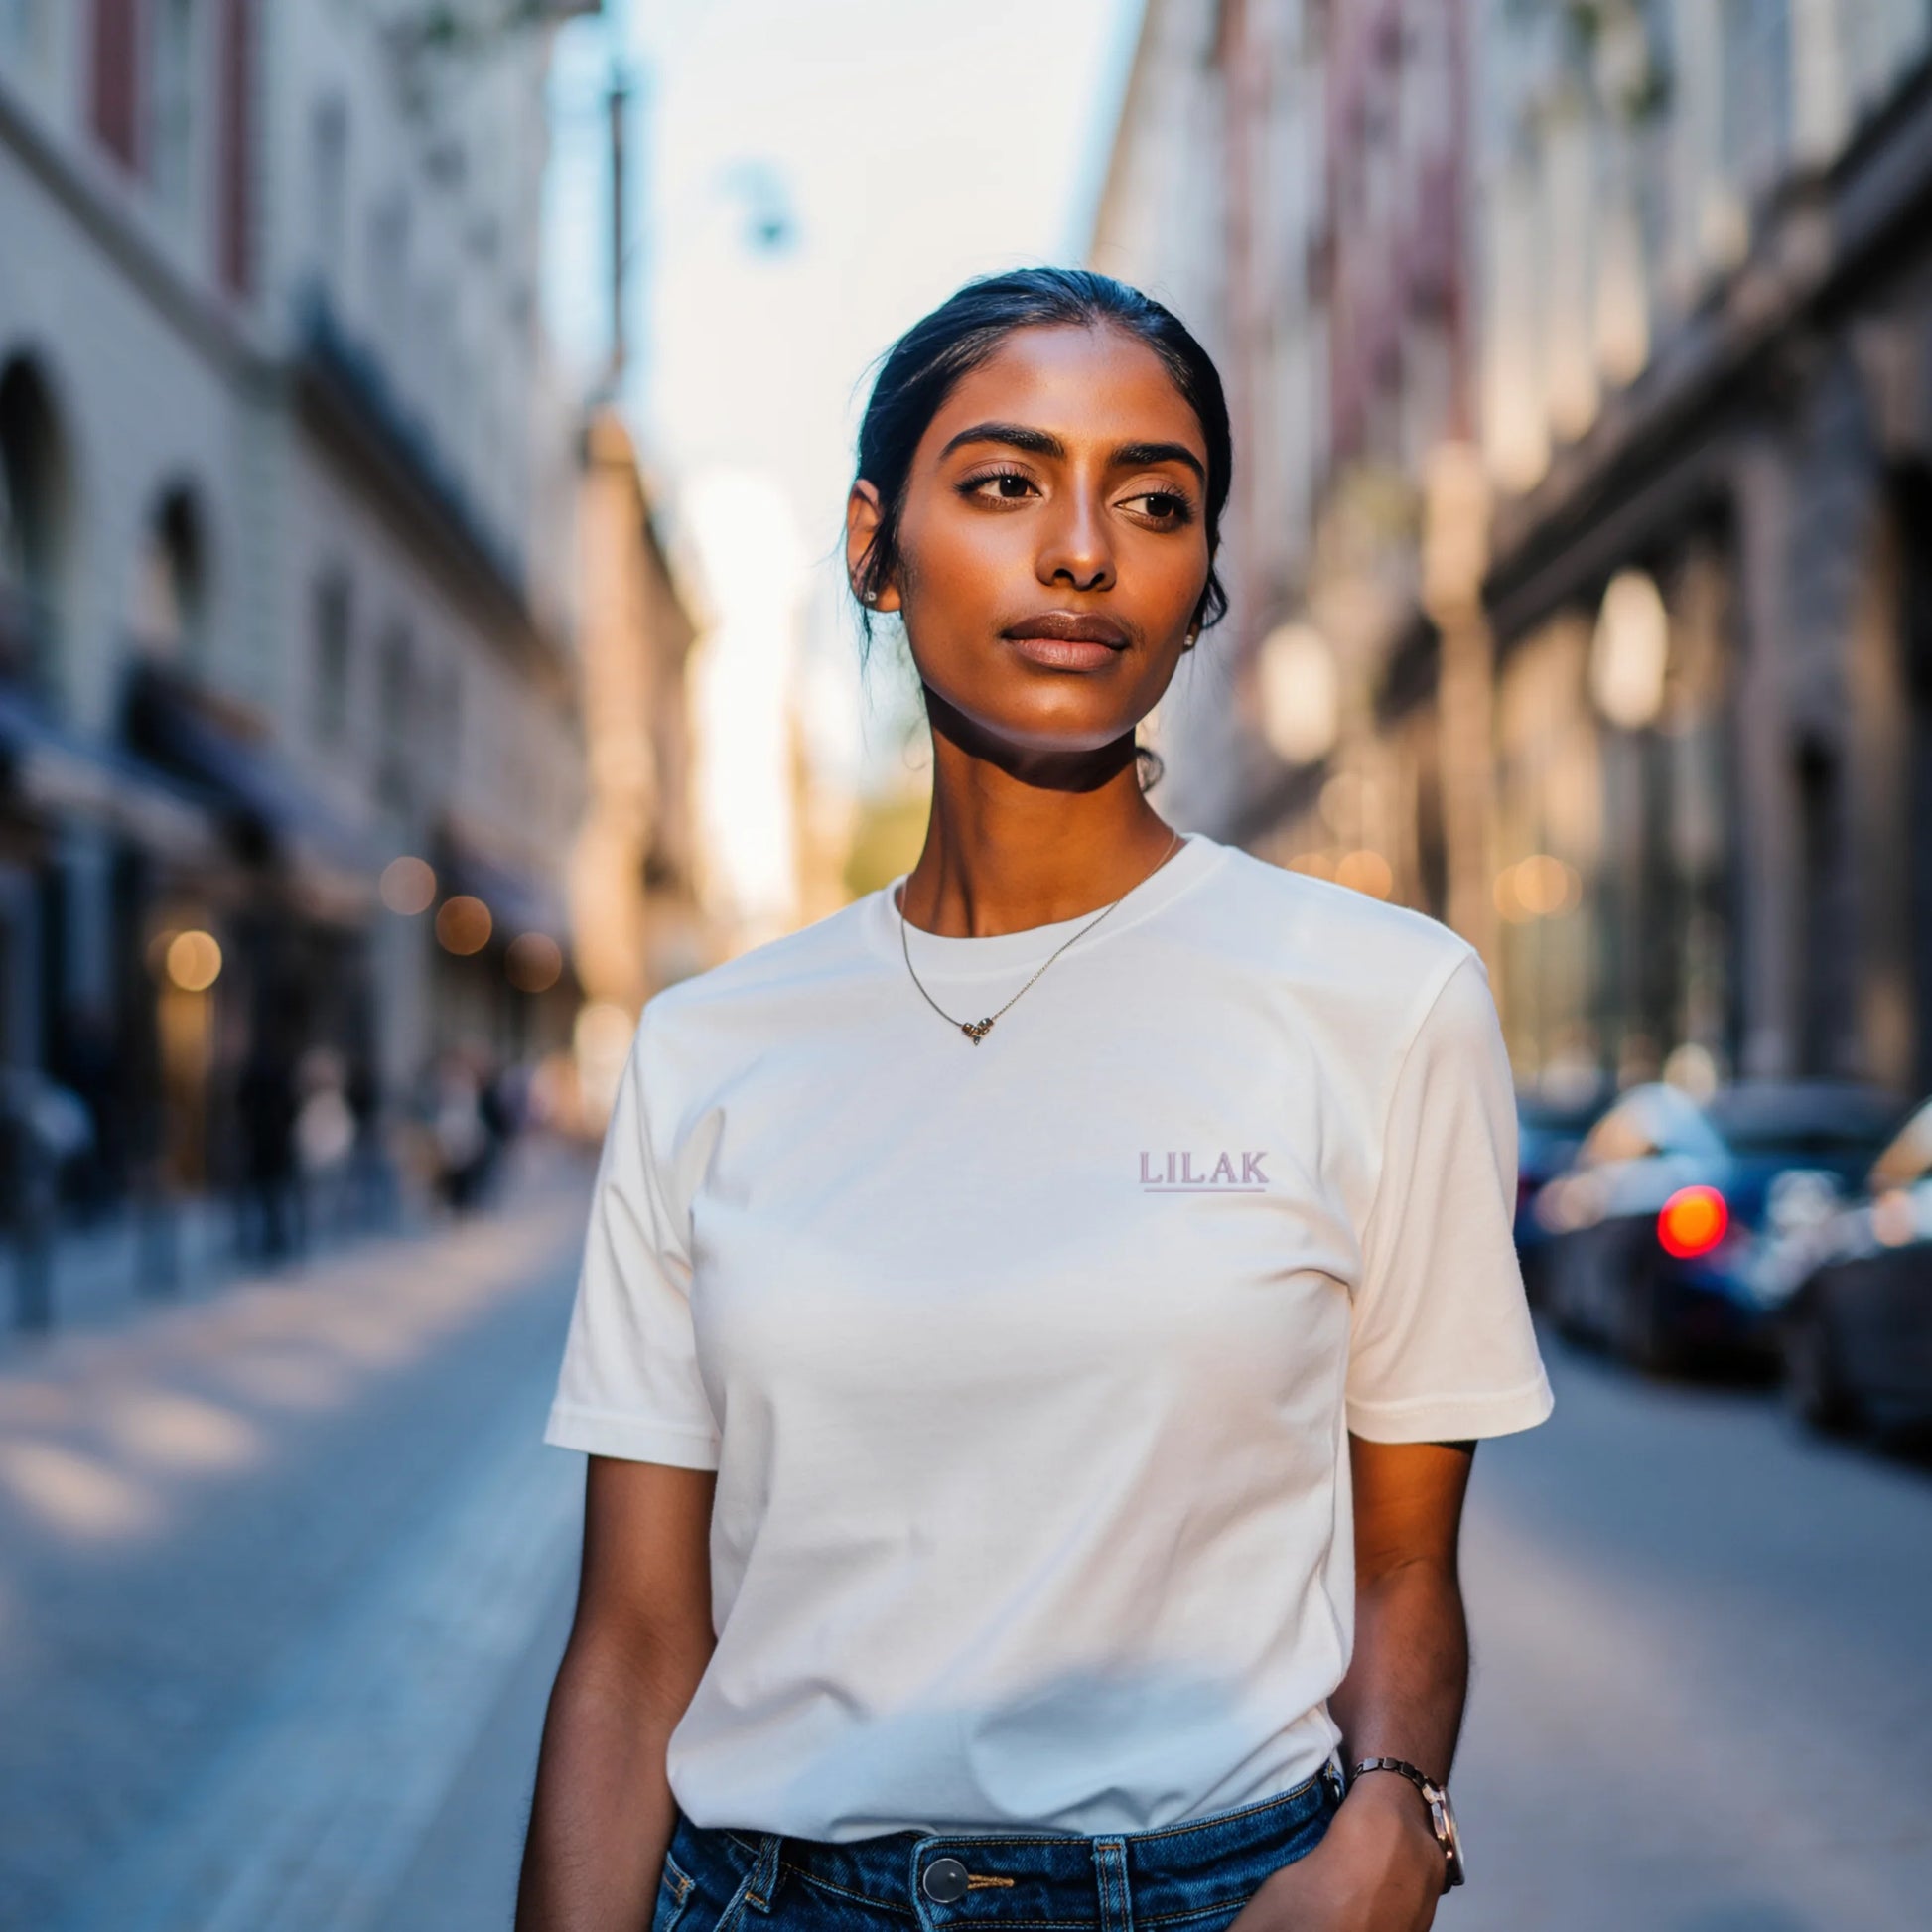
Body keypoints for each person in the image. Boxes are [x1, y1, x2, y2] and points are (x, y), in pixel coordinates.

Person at [518, 269, 1553, 1932]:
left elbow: (1405, 1566)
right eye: (1003, 484)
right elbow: (635, 1639)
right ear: (875, 540)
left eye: (1154, 502)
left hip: (1214, 1898)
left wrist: (1391, 1835)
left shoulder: (1380, 998)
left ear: (1202, 577)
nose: (1082, 550)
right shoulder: (712, 1046)